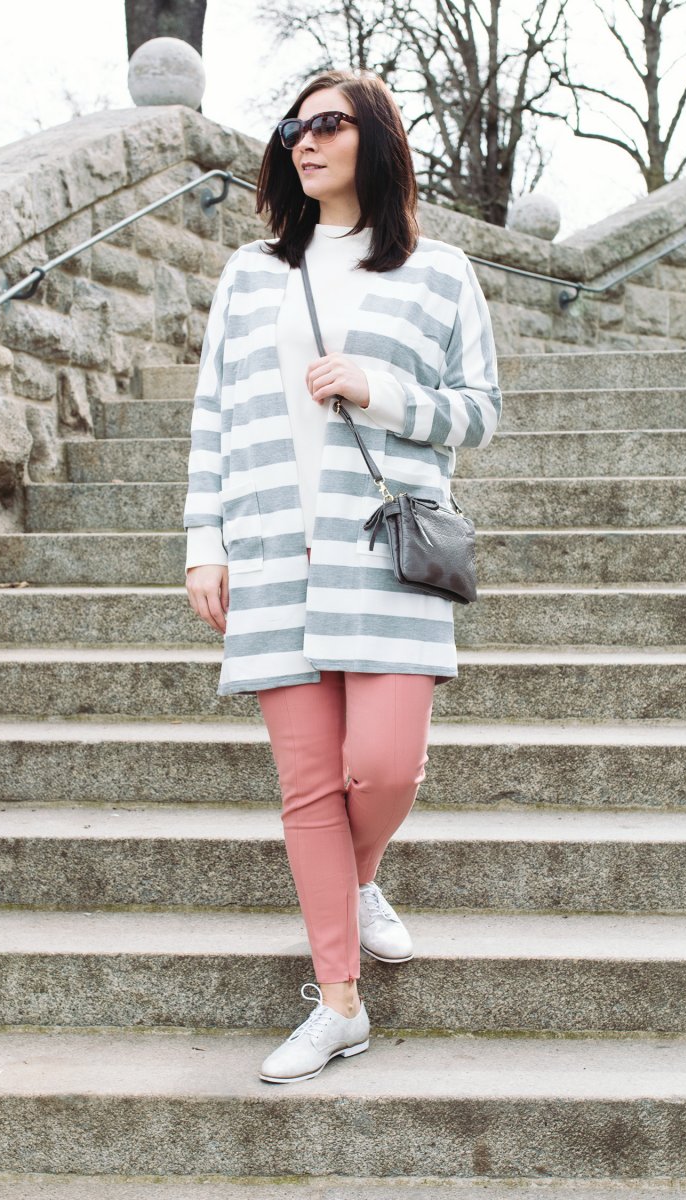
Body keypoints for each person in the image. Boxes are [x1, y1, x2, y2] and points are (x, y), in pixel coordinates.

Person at [184, 68, 501, 1084]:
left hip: (385, 552)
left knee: (386, 769)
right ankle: (338, 1004)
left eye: (329, 123)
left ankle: (356, 880)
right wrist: (203, 541)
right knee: (309, 787)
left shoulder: (440, 272)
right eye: (293, 127)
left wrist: (382, 390)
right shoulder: (250, 274)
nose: (305, 141)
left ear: (376, 138)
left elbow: (479, 411)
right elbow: (212, 418)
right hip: (271, 549)